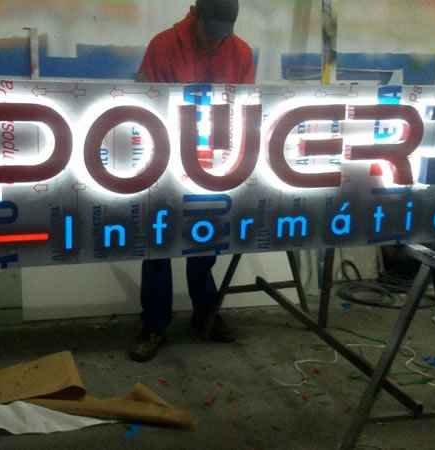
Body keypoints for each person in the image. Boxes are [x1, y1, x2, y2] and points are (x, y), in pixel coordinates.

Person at [129, 0, 255, 362]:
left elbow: (246, 108)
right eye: (209, 31)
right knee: (158, 245)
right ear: (194, 13)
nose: (215, 41)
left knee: (206, 241)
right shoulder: (163, 46)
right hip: (165, 162)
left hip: (214, 165)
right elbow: (144, 104)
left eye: (222, 34)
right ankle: (155, 324)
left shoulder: (240, 51)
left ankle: (205, 315)